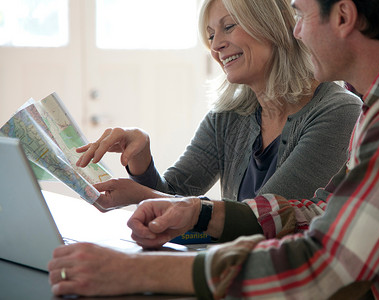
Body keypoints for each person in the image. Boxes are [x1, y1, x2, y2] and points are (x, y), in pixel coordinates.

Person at [48, 0, 379, 299]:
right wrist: (200, 211)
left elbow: (322, 264)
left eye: (301, 13)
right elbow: (321, 210)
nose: (297, 32)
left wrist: (138, 272)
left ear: (343, 16)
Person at [75, 0, 361, 210]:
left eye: (229, 27)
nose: (216, 46)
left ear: (272, 25)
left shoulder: (339, 112)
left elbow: (262, 216)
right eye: (211, 35)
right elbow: (172, 195)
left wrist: (141, 195)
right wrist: (141, 160)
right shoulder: (227, 117)